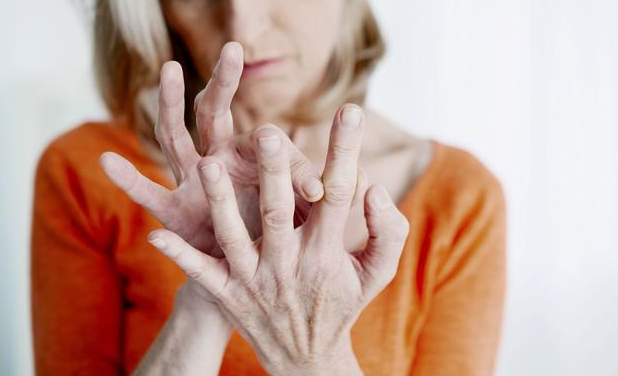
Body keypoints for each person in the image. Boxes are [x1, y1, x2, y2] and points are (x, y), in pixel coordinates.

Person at [31, 0, 506, 375]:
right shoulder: (87, 171)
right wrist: (212, 293)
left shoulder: (459, 197)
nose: (243, 23)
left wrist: (311, 357)